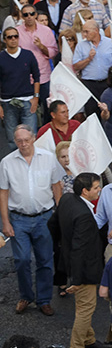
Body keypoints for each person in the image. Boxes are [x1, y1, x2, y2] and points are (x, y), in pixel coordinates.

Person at [0, 124, 64, 315]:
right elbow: (3, 194)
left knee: (45, 260)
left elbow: (57, 186)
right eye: (19, 141)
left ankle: (44, 300)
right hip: (18, 219)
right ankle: (26, 296)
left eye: (26, 140)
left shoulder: (48, 158)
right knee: (21, 260)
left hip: (44, 217)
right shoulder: (7, 162)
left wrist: (59, 214)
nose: (23, 144)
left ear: (34, 138)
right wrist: (5, 223)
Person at [48, 172, 104, 348]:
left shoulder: (66, 199)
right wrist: (78, 281)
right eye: (96, 187)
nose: (99, 190)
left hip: (70, 262)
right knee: (85, 310)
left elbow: (52, 224)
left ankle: (89, 340)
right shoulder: (84, 215)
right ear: (85, 191)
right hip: (85, 270)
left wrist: (60, 246)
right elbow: (79, 250)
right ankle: (77, 345)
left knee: (82, 306)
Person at [0, 26, 41, 148]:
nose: (13, 39)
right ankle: (15, 166)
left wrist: (36, 98)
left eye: (16, 36)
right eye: (10, 37)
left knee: (31, 136)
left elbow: (37, 77)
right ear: (5, 40)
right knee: (13, 139)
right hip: (7, 102)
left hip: (28, 100)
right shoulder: (1, 57)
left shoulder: (28, 55)